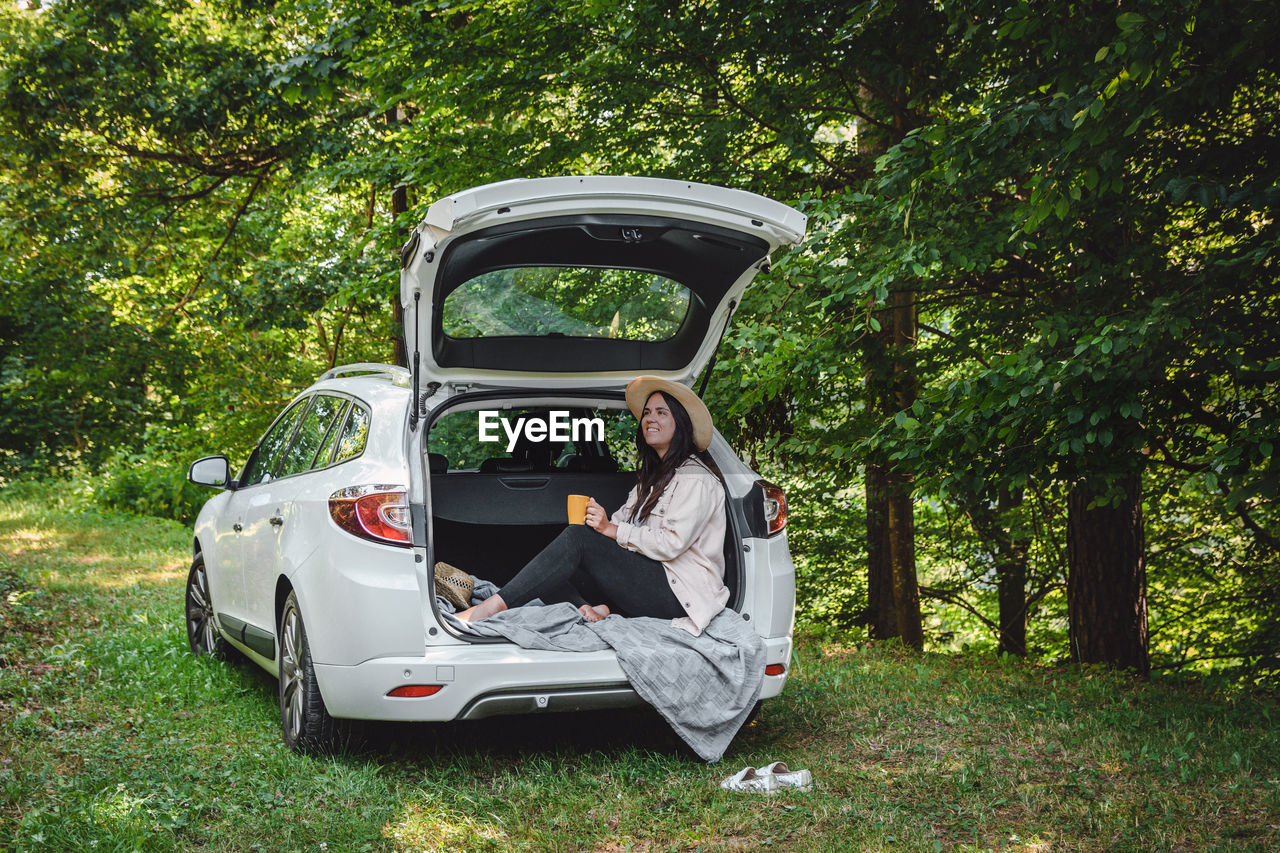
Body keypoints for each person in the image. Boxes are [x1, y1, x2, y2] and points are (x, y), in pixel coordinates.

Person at [455, 376, 730, 635]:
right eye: (647, 413)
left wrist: (609, 529)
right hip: (654, 582)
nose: (650, 419)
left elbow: (670, 544)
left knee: (577, 539)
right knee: (555, 563)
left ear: (680, 423)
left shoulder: (695, 478)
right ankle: (589, 608)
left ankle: (489, 608)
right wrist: (601, 522)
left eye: (661, 413)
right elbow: (621, 521)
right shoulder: (653, 477)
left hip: (681, 596)